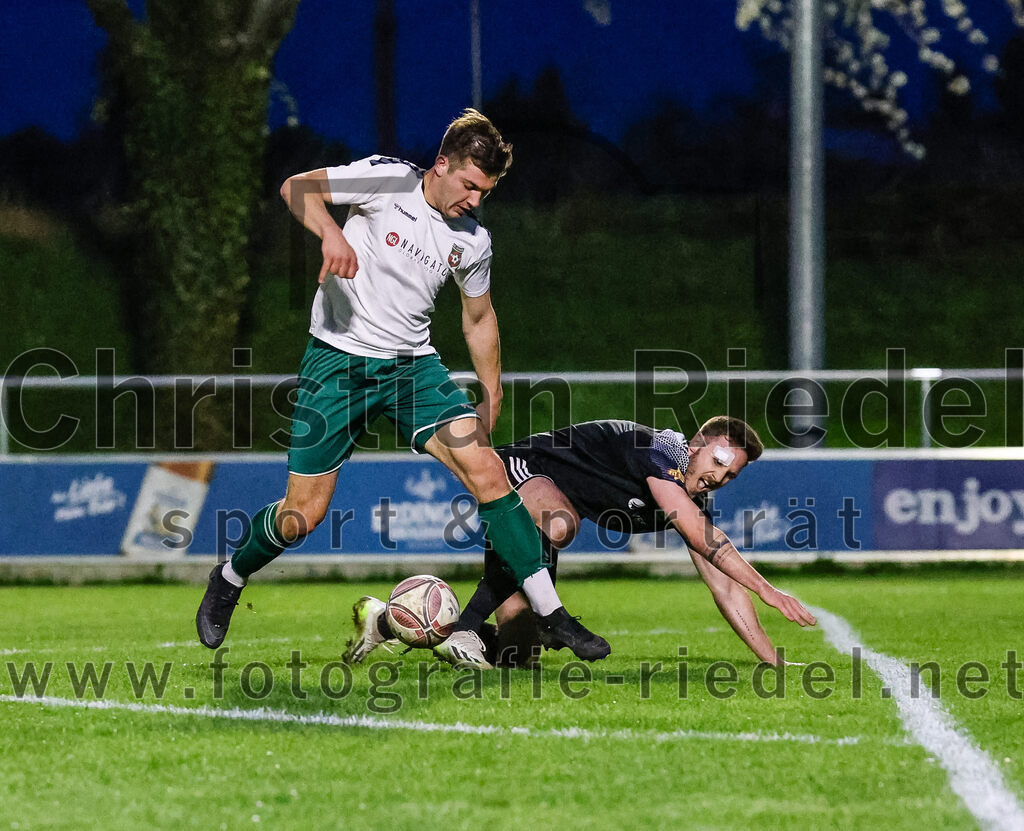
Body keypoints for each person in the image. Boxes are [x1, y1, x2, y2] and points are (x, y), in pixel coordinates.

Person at [196, 110, 608, 661]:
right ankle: (228, 576)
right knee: (302, 516)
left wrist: (493, 390)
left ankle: (551, 613)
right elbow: (296, 188)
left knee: (487, 471)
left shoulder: (474, 239)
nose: (475, 200)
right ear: (441, 165)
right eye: (469, 186)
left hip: (412, 369)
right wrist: (330, 234)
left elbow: (478, 317)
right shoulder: (387, 179)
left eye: (485, 192)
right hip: (337, 364)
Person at [342, 417, 816, 669]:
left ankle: (385, 621)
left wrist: (773, 659)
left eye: (730, 474)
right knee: (562, 524)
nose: (719, 477)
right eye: (717, 460)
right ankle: (466, 625)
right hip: (519, 470)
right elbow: (704, 538)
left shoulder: (690, 497)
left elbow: (725, 587)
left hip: (550, 508)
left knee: (515, 653)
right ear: (696, 444)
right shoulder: (661, 454)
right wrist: (770, 589)